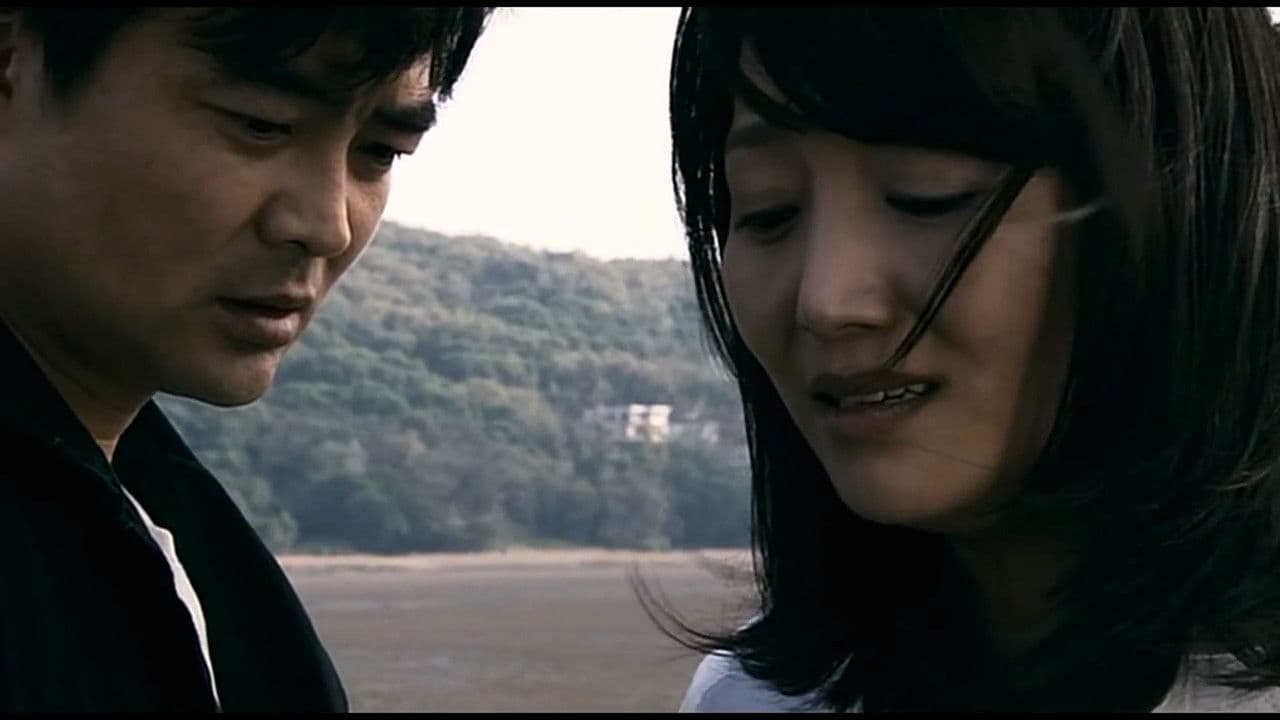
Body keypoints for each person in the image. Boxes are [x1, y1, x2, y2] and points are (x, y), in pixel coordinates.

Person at [643, 6, 1280, 712]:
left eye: (926, 195)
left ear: (1189, 201)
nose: (827, 300)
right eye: (769, 211)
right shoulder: (754, 701)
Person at [0, 7, 491, 712]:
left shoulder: (170, 535)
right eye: (261, 124)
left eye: (380, 152)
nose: (327, 225)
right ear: (11, 61)